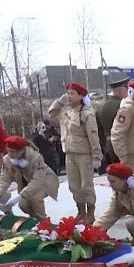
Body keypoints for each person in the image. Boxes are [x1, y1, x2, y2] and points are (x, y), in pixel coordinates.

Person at [48, 82, 103, 223]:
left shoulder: (86, 113)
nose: (69, 96)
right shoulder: (66, 111)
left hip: (84, 155)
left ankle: (90, 213)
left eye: (72, 93)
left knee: (86, 185)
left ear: (81, 96)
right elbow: (51, 114)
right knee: (74, 186)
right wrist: (59, 102)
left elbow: (93, 136)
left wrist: (96, 155)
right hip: (70, 154)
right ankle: (81, 212)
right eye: (68, 93)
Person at [0, 136, 59, 220]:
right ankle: (34, 219)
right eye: (7, 151)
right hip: (26, 186)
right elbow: (4, 178)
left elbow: (38, 181)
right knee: (23, 205)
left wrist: (20, 195)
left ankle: (43, 222)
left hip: (45, 182)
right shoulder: (7, 160)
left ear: (22, 150)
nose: (9, 154)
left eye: (12, 151)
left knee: (34, 199)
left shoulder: (36, 157)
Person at [96, 77, 130, 167]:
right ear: (121, 92)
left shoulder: (101, 106)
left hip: (108, 145)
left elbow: (99, 130)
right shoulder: (124, 106)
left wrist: (104, 145)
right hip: (124, 145)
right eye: (127, 90)